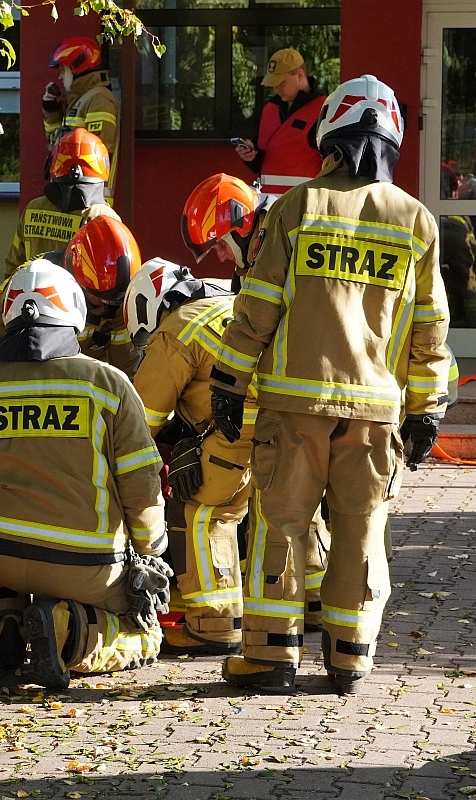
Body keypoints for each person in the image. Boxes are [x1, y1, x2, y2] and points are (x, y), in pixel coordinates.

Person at [210, 75, 452, 695]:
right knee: (361, 528)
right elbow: (430, 330)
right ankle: (349, 657)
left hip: (295, 403)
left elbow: (256, 308)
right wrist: (426, 410)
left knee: (282, 524)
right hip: (375, 412)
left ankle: (270, 657)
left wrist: (229, 381)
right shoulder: (416, 221)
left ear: (330, 138)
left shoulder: (297, 208)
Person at [0, 259, 168, 690]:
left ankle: (8, 618)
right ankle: (67, 632)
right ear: (73, 310)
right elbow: (139, 484)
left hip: (0, 557)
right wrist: (152, 549)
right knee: (145, 630)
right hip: (86, 564)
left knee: (3, 540)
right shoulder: (108, 385)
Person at [179, 173, 330, 632]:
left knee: (262, 506)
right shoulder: (273, 238)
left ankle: (237, 626)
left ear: (241, 224)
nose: (222, 257)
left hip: (295, 393)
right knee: (302, 500)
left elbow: (259, 326)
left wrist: (226, 391)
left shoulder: (276, 242)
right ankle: (320, 599)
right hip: (311, 389)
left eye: (222, 244)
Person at [124, 258, 251, 656]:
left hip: (239, 431)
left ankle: (215, 625)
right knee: (287, 513)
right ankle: (309, 606)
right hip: (296, 426)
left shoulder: (176, 329)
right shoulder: (235, 303)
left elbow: (141, 422)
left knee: (205, 511)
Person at [0, 216, 142, 378]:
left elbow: (125, 366)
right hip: (18, 373)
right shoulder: (30, 286)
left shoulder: (119, 297)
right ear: (74, 276)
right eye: (99, 297)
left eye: (114, 301)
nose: (107, 307)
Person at [3, 128, 118, 276]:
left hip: (32, 295)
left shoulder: (33, 209)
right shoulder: (102, 216)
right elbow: (115, 273)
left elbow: (13, 266)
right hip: (76, 299)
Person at [232, 49, 325, 200]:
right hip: (268, 205)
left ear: (300, 75)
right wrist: (250, 155)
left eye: (281, 82)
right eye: (273, 83)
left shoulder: (324, 109)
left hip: (305, 206)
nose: (276, 89)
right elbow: (261, 163)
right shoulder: (270, 109)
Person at [43, 37, 120, 199]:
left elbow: (98, 152)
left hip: (89, 197)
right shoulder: (81, 99)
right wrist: (52, 110)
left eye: (63, 71)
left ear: (77, 68)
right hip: (72, 193)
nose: (60, 77)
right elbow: (56, 144)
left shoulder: (99, 99)